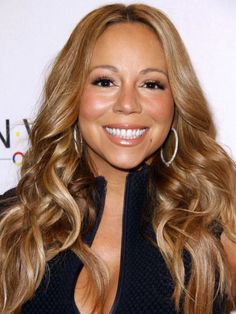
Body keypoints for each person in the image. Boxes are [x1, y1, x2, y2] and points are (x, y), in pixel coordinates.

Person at [0, 3, 235, 314]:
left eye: (151, 84)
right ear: (73, 94)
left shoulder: (215, 222)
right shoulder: (14, 222)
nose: (128, 104)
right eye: (105, 81)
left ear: (176, 100)